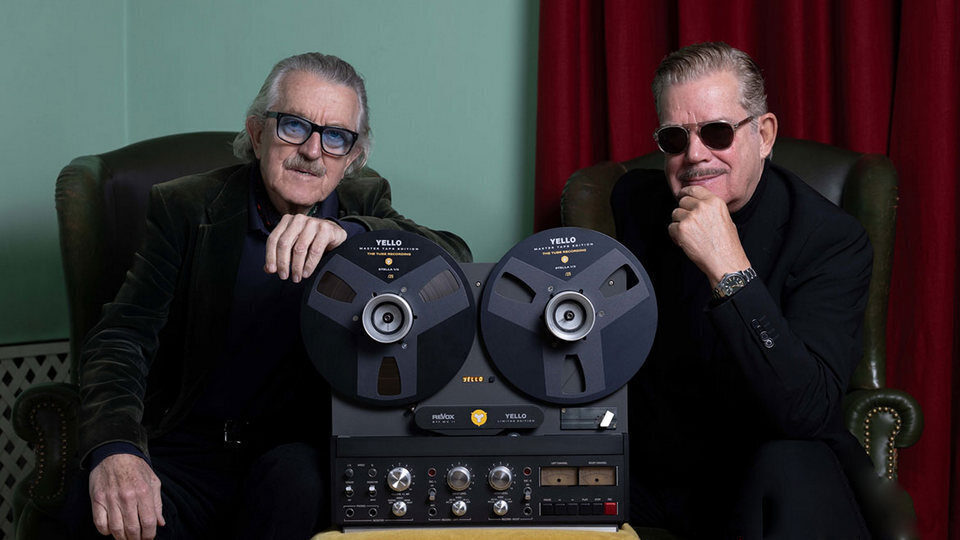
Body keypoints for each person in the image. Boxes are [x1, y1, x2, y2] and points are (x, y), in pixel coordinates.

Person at [69, 52, 471, 540]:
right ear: (257, 133)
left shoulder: (363, 202)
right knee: (100, 508)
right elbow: (122, 337)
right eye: (294, 126)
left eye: (336, 136)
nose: (313, 151)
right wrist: (116, 449)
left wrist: (352, 235)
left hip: (295, 454)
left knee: (298, 484)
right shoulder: (187, 206)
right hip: (188, 453)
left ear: (351, 158)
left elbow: (454, 259)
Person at [611, 42, 881, 538]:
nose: (695, 155)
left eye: (717, 132)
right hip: (654, 478)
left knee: (792, 460)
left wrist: (728, 268)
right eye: (675, 138)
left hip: (765, 477)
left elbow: (808, 414)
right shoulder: (633, 203)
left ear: (764, 134)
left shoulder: (831, 240)